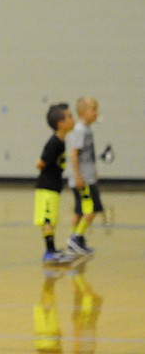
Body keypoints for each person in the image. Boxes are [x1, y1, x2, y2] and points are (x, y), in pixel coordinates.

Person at [34, 102, 76, 264]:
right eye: (70, 117)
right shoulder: (53, 143)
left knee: (52, 219)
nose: (73, 120)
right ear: (60, 123)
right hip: (46, 187)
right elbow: (41, 162)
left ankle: (52, 250)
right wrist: (41, 163)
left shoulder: (60, 141)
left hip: (53, 187)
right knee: (47, 220)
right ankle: (49, 251)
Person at [66, 97, 102, 255]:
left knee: (79, 211)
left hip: (87, 176)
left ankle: (76, 242)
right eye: (93, 109)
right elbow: (73, 154)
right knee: (92, 209)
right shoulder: (79, 130)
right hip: (83, 179)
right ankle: (76, 237)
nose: (96, 113)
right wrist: (78, 176)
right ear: (83, 112)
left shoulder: (86, 129)